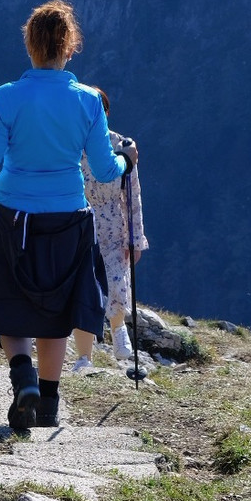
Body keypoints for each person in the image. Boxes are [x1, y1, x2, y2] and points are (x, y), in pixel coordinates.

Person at [0, 0, 137, 432]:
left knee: (12, 301)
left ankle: (21, 374)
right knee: (56, 311)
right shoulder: (87, 102)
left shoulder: (9, 96)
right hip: (69, 218)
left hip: (13, 215)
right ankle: (48, 404)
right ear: (70, 47)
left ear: (30, 45)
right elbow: (105, 170)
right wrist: (128, 160)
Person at [70, 87, 147, 372]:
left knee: (115, 281)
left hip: (113, 223)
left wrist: (135, 239)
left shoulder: (121, 146)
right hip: (78, 222)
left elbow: (133, 196)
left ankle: (118, 330)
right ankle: (84, 356)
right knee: (83, 289)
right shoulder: (71, 143)